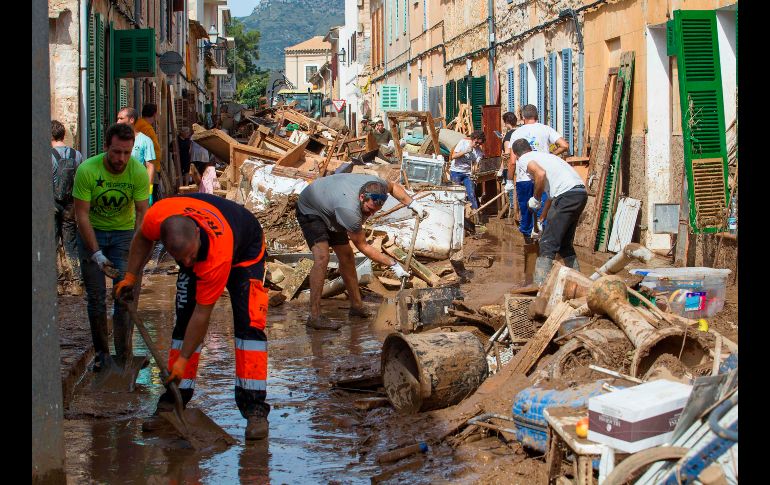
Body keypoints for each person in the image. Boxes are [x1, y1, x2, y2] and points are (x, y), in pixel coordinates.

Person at [113, 193, 271, 440]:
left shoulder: (216, 256)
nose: (186, 261)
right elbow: (143, 237)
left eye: (190, 255)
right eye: (180, 258)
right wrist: (131, 276)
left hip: (245, 250)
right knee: (182, 321)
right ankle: (174, 400)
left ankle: (254, 409)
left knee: (249, 327)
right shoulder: (157, 216)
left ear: (197, 234)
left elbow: (203, 313)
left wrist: (183, 359)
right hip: (211, 231)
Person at [296, 173, 427, 330]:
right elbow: (363, 246)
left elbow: (393, 187)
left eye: (374, 211)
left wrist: (412, 203)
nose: (370, 215)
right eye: (368, 210)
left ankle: (357, 306)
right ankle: (315, 316)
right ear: (362, 197)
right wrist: (393, 264)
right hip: (311, 208)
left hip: (331, 203)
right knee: (322, 257)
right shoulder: (349, 211)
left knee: (346, 256)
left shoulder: (379, 186)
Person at [73, 123, 150, 372]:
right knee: (96, 298)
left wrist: (136, 254)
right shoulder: (87, 170)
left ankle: (124, 354)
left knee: (124, 295)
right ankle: (102, 355)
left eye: (127, 153)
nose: (121, 159)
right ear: (106, 147)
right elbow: (81, 215)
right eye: (117, 152)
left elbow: (142, 215)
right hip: (91, 232)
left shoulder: (137, 172)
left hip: (123, 235)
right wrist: (95, 254)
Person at [511, 139, 586, 285]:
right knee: (564, 245)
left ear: (516, 154)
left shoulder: (525, 159)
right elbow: (551, 197)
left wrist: (536, 198)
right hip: (579, 194)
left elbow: (540, 174)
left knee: (547, 244)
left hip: (566, 196)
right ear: (530, 147)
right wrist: (541, 219)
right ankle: (579, 284)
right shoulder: (547, 157)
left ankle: (539, 288)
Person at [507, 104, 570, 243]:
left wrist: (509, 181)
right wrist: (551, 155)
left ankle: (529, 243)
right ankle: (544, 243)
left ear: (523, 117)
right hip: (543, 177)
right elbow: (565, 145)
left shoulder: (516, 133)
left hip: (524, 178)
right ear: (537, 116)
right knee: (543, 212)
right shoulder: (546, 129)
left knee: (526, 211)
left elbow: (512, 161)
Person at [51, 120, 85, 295]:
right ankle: (77, 283)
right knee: (71, 242)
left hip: (51, 204)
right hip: (71, 205)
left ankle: (58, 283)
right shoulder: (77, 155)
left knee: (54, 243)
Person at [117, 107, 156, 205]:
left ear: (131, 120)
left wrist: (148, 191)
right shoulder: (115, 140)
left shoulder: (145, 141)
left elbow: (150, 167)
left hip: (137, 188)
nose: (117, 122)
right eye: (118, 118)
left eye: (121, 118)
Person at [449, 130, 486, 210]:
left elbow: (475, 165)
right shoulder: (463, 143)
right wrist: (465, 151)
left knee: (471, 194)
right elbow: (453, 156)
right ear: (472, 139)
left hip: (467, 173)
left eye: (479, 144)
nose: (477, 145)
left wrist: (475, 173)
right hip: (456, 171)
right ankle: (456, 212)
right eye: (476, 142)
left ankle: (475, 214)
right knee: (456, 194)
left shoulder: (479, 151)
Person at [135, 103, 162, 202]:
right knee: (151, 192)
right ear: (154, 114)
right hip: (149, 166)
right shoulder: (145, 127)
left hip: (151, 165)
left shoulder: (141, 124)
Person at [497, 112, 518, 215]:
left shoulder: (509, 136)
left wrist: (501, 169)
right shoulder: (520, 132)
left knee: (511, 190)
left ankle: (513, 212)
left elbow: (507, 155)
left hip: (510, 166)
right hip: (521, 164)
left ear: (506, 122)